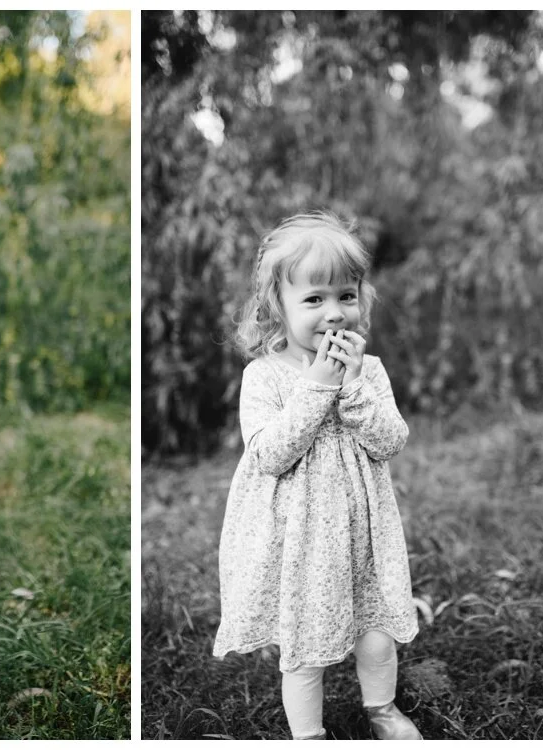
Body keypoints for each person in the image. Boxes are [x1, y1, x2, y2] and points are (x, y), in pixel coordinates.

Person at [212, 211, 422, 740]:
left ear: (361, 299)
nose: (334, 314)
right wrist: (318, 388)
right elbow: (270, 455)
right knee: (303, 646)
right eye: (314, 300)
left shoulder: (368, 371)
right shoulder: (263, 377)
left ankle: (382, 709)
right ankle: (310, 735)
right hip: (298, 538)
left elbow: (391, 440)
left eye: (345, 296)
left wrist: (351, 387)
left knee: (375, 629)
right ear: (275, 308)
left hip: (362, 531)